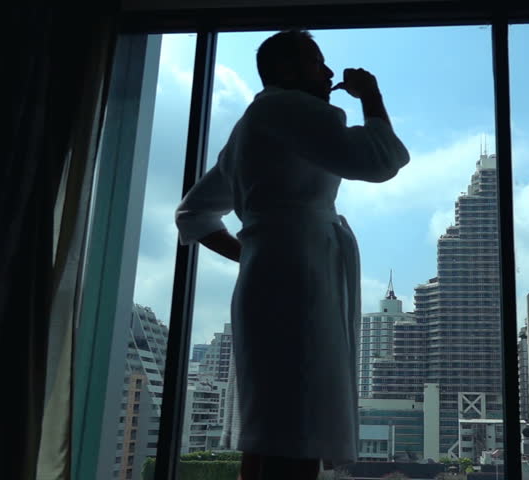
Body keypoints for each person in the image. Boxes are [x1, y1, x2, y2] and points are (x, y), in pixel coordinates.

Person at [175, 30, 409, 480]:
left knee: (272, 425)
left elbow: (194, 214)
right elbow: (379, 160)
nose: (327, 73)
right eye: (317, 63)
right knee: (299, 426)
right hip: (299, 281)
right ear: (285, 71)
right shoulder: (287, 107)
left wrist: (256, 254)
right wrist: (372, 95)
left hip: (275, 273)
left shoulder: (252, 125)